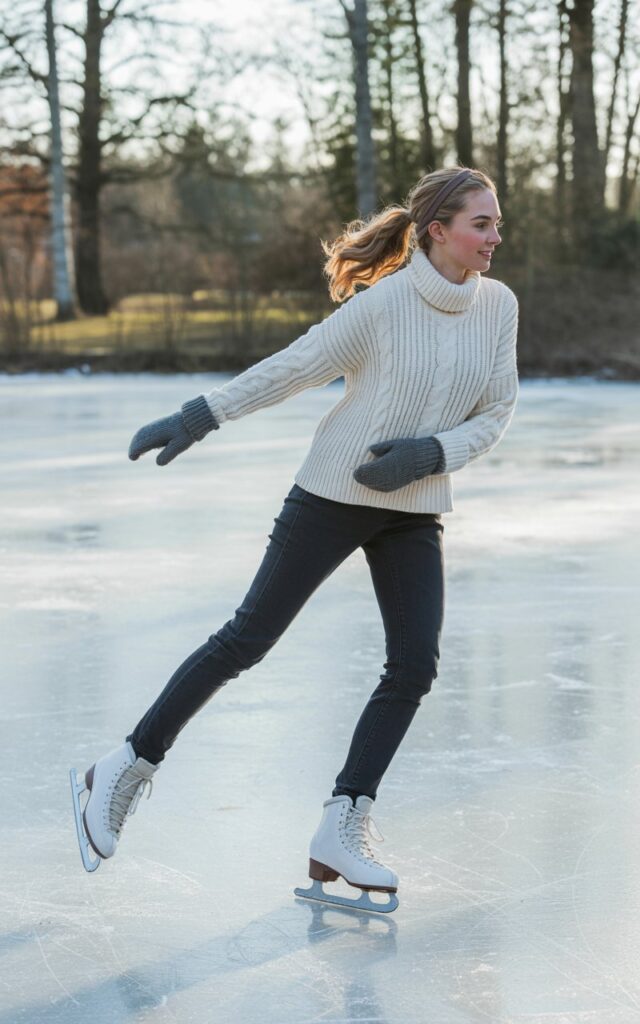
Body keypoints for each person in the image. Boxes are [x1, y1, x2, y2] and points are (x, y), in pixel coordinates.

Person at [70, 165, 518, 912]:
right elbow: (297, 366)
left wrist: (431, 453)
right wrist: (199, 414)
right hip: (332, 495)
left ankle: (344, 824)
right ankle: (121, 767)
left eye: (498, 225)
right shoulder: (385, 305)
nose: (496, 237)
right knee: (246, 640)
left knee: (415, 664)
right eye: (483, 224)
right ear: (438, 231)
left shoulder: (498, 306)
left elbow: (497, 410)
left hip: (414, 504)